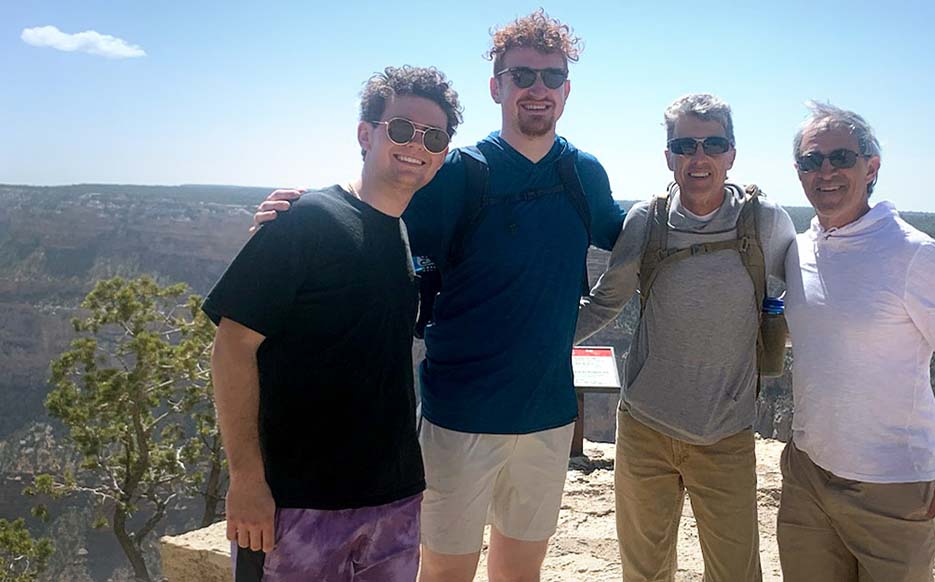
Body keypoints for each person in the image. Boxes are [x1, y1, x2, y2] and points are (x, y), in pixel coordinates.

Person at [251, 10, 624, 582]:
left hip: (549, 417)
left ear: (567, 91)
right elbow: (375, 215)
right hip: (459, 418)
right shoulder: (458, 173)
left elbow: (632, 239)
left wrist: (704, 204)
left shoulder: (584, 175)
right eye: (522, 75)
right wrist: (302, 213)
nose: (537, 89)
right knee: (446, 573)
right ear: (497, 85)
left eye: (552, 77)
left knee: (521, 572)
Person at [206, 66, 460, 581]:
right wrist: (246, 479)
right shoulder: (305, 221)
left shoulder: (408, 239)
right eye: (403, 129)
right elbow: (232, 346)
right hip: (296, 505)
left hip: (394, 500)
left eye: (434, 137)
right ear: (366, 134)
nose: (418, 145)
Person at [575, 93, 795, 582]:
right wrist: (530, 346)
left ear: (732, 154)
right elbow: (604, 303)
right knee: (645, 572)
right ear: (669, 156)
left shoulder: (764, 222)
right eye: (686, 145)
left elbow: (806, 305)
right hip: (644, 430)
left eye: (713, 144)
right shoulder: (645, 222)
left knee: (736, 572)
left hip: (726, 434)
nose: (700, 158)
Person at [778, 101, 935, 582]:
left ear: (871, 166)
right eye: (812, 161)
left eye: (842, 157)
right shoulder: (797, 250)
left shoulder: (914, 254)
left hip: (895, 489)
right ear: (799, 172)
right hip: (807, 476)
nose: (827, 171)